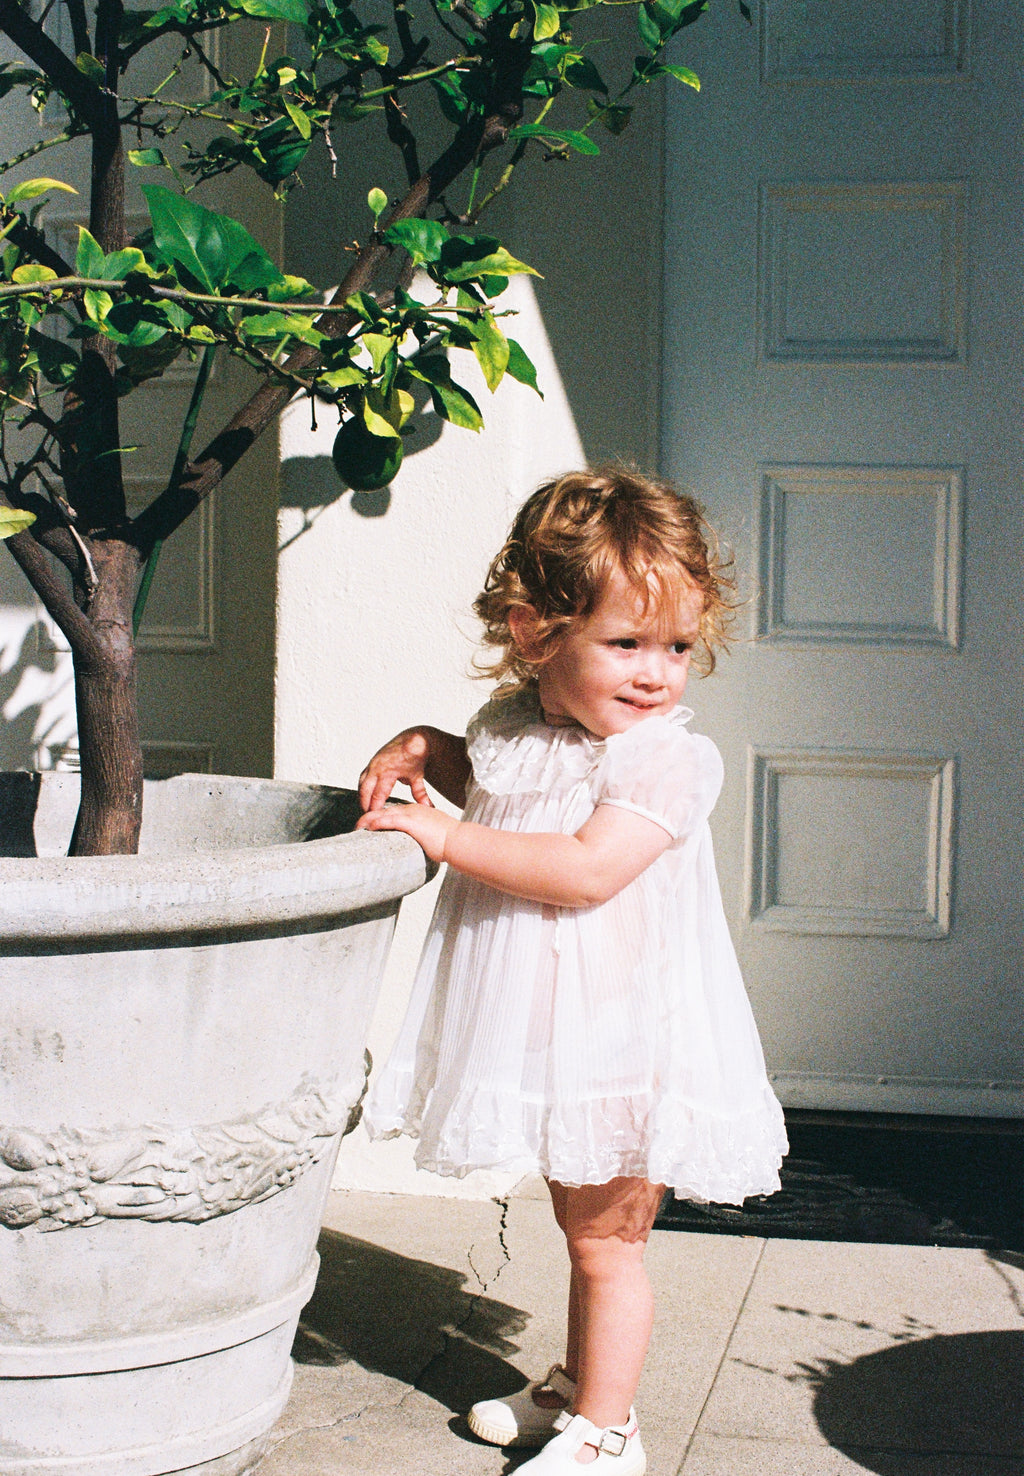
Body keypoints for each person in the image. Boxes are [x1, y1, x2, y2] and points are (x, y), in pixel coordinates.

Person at [356, 468, 787, 1474]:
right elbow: (500, 779)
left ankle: (608, 1432)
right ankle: (573, 1389)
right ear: (534, 634)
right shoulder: (525, 725)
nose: (656, 673)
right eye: (625, 643)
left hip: (625, 1031)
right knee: (572, 1216)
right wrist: (428, 750)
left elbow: (586, 871)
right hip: (551, 1025)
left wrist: (437, 832)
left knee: (609, 1239)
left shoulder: (663, 761)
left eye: (676, 646)